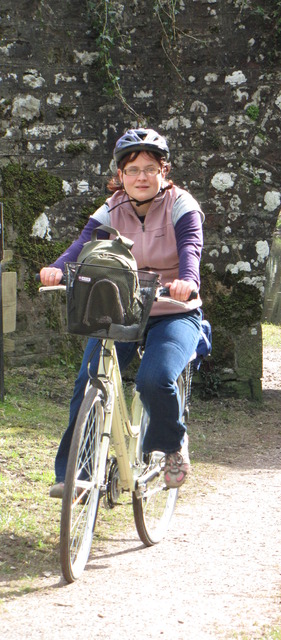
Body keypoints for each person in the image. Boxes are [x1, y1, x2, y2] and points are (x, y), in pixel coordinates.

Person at [40, 128, 204, 497]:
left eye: (150, 168)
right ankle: (75, 477)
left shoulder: (181, 205)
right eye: (132, 170)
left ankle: (172, 446)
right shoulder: (112, 209)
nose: (141, 177)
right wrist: (57, 268)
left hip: (174, 310)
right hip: (124, 310)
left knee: (154, 379)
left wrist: (187, 281)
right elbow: (81, 246)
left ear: (164, 172)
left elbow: (191, 248)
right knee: (88, 381)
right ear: (121, 176)